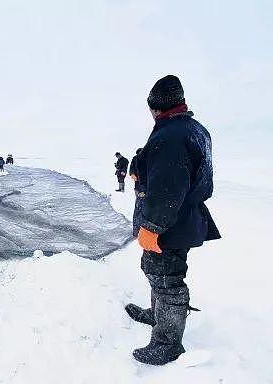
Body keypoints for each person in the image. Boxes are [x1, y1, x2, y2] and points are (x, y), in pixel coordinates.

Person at [126, 75, 221, 366]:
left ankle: (168, 343)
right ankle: (158, 315)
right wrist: (140, 163)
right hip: (183, 217)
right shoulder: (194, 130)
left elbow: (169, 188)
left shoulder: (169, 136)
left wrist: (151, 228)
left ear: (155, 108)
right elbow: (185, 171)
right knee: (158, 271)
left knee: (167, 277)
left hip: (169, 222)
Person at [129, 148, 144, 236]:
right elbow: (131, 171)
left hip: (143, 188)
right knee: (140, 208)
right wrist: (132, 174)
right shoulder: (136, 159)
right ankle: (137, 230)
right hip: (140, 188)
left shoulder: (147, 158)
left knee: (141, 208)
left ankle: (139, 230)